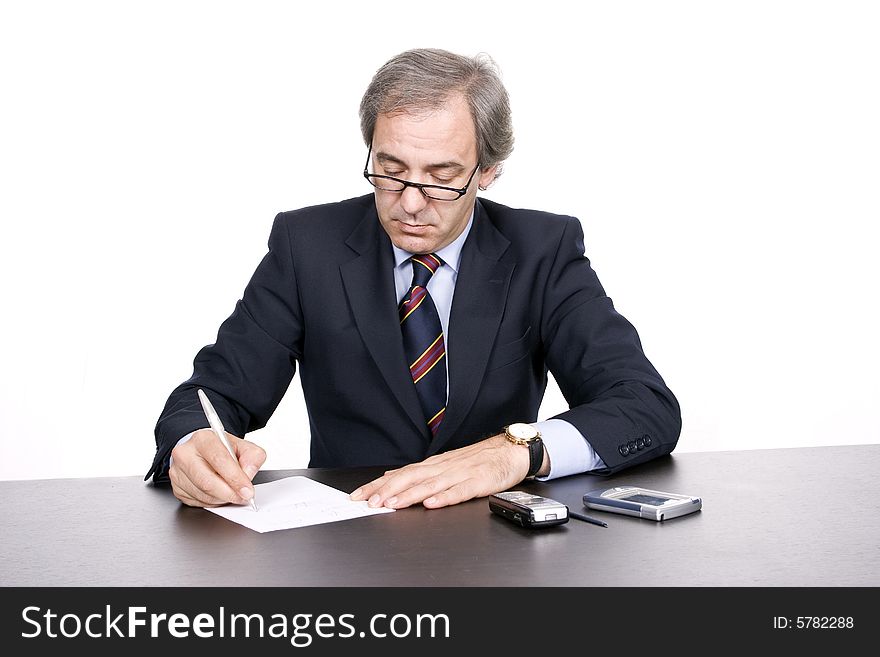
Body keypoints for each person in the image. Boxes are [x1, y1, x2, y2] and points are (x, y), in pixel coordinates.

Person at [146, 48, 681, 511]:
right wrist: (193, 443)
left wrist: (519, 452)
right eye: (390, 169)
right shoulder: (305, 245)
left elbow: (644, 404)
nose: (409, 203)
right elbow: (212, 395)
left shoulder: (544, 250)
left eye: (442, 178)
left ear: (488, 171)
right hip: (348, 544)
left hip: (499, 547)